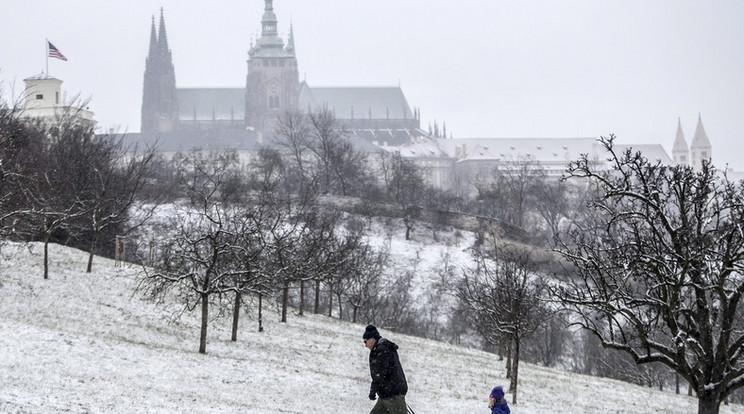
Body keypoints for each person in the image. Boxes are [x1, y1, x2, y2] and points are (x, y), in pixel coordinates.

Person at [363, 324, 408, 414]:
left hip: (393, 395)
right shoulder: (384, 348)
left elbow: (379, 374)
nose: (365, 345)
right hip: (387, 394)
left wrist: (373, 391)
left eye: (365, 342)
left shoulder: (381, 350)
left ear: (372, 339)